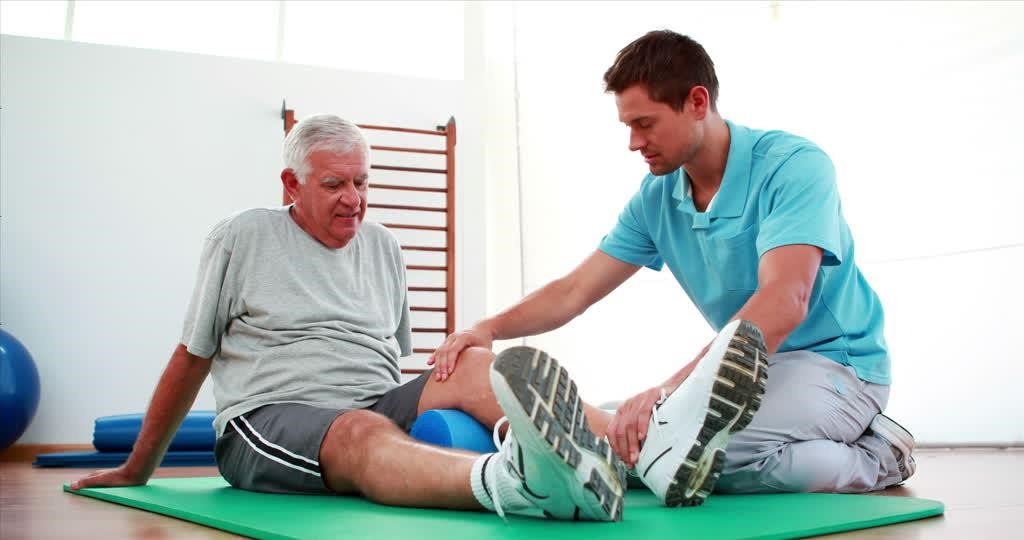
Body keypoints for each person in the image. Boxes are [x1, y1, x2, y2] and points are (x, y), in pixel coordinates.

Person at [70, 114, 636, 521]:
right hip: (268, 419)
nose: (353, 198)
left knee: (475, 363)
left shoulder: (384, 246)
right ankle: (520, 487)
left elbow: (387, 362)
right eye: (334, 184)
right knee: (363, 430)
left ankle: (635, 452)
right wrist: (138, 468)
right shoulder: (242, 236)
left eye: (362, 182)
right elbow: (192, 357)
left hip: (371, 405)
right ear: (291, 184)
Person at [432, 30, 916, 497]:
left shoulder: (793, 167)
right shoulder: (657, 197)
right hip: (752, 372)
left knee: (673, 451)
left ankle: (877, 457)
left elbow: (786, 300)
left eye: (645, 124)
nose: (634, 142)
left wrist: (668, 392)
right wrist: (488, 328)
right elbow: (574, 290)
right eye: (628, 126)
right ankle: (641, 440)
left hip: (838, 369)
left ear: (697, 102)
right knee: (633, 436)